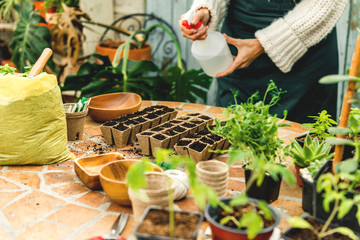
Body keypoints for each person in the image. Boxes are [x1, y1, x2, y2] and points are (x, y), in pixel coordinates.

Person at [179, 0, 348, 123]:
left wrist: (265, 44)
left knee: (299, 158)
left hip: (305, 49)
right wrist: (206, 8)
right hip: (240, 42)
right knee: (233, 145)